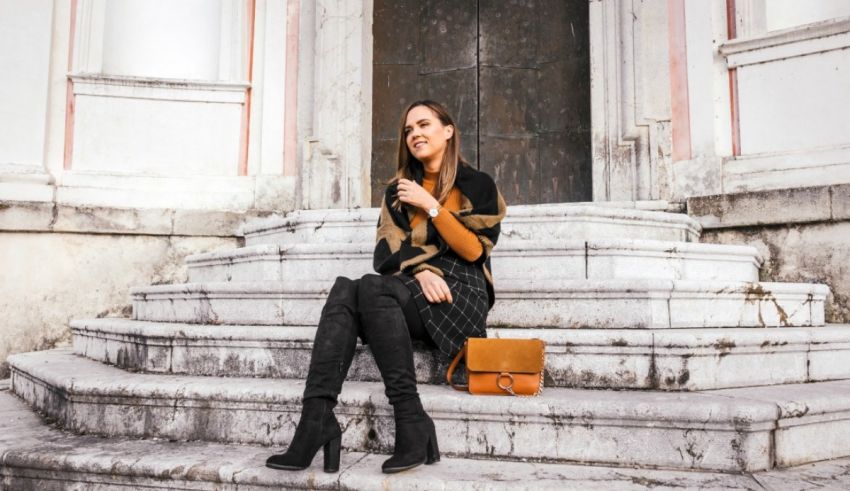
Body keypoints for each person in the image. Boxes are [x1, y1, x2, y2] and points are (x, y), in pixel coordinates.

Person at [266, 100, 506, 474]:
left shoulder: (478, 184)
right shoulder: (398, 191)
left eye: (424, 125)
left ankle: (409, 417)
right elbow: (385, 253)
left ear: (448, 131)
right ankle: (316, 418)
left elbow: (474, 250)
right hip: (414, 289)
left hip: (460, 294)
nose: (415, 134)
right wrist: (421, 270)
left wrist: (431, 206)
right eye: (408, 130)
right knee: (347, 288)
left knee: (371, 289)